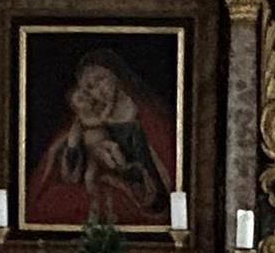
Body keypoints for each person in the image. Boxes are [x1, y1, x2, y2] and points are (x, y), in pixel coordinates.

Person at [30, 49, 171, 228]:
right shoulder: (90, 115)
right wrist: (73, 147)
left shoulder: (146, 115)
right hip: (103, 181)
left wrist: (130, 173)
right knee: (53, 203)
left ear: (116, 77)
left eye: (100, 79)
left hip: (141, 189)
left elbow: (161, 167)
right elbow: (69, 163)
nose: (97, 90)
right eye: (89, 87)